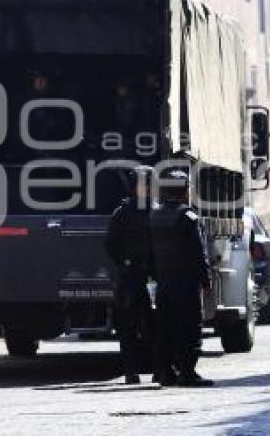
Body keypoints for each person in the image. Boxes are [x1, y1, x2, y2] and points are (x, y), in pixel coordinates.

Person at [149, 168, 214, 387]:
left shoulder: (155, 216)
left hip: (164, 283)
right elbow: (198, 253)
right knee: (189, 327)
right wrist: (206, 281)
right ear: (184, 191)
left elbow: (148, 251)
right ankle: (187, 372)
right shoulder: (188, 218)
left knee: (165, 328)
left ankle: (166, 373)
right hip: (185, 283)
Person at [105, 165, 155, 385]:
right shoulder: (123, 213)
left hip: (154, 275)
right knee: (128, 327)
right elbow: (111, 244)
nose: (145, 189)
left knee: (155, 326)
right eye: (142, 184)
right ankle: (131, 371)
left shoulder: (158, 211)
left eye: (148, 184)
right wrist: (124, 264)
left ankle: (160, 369)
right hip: (131, 275)